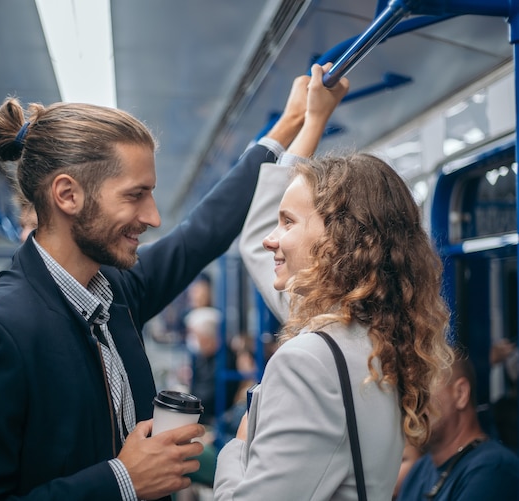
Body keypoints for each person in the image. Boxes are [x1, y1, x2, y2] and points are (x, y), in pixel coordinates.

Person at [0, 74, 312, 500]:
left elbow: (202, 233)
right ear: (68, 195)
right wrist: (121, 482)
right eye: (135, 195)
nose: (154, 216)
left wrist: (291, 123)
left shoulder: (118, 292)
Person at [214, 63, 454, 500]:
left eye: (286, 222)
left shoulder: (310, 361)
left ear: (337, 240)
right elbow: (256, 242)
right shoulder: (374, 339)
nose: (271, 239)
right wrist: (313, 121)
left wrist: (238, 446)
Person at [396, 348, 519, 500]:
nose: (412, 403)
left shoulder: (494, 469)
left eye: (423, 387)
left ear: (461, 393)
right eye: (409, 392)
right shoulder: (419, 471)